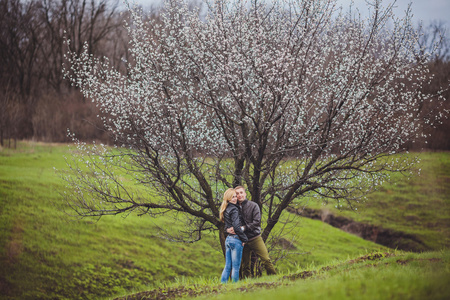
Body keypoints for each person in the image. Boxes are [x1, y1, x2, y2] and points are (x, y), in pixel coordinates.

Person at [227, 186, 276, 277]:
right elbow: (228, 220)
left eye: (241, 193)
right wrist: (228, 228)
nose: (239, 195)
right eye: (237, 194)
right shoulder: (234, 208)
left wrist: (243, 228)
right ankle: (247, 285)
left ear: (245, 194)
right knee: (245, 266)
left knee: (266, 259)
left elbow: (257, 222)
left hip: (255, 238)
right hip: (242, 240)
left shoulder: (253, 205)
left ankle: (275, 279)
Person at [220, 188, 248, 283]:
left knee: (227, 266)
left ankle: (222, 286)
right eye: (232, 197)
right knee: (236, 268)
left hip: (228, 240)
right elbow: (236, 227)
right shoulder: (234, 209)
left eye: (235, 196)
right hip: (236, 240)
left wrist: (227, 230)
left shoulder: (226, 208)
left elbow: (227, 226)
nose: (235, 198)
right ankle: (235, 288)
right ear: (228, 198)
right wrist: (244, 239)